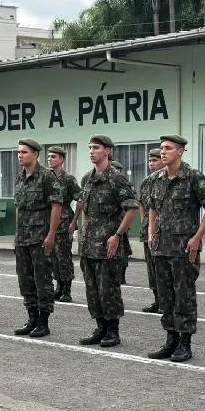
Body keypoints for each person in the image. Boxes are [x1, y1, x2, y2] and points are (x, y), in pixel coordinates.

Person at [147, 134, 205, 363]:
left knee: (184, 296)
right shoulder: (157, 178)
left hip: (183, 248)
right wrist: (150, 234)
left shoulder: (193, 177)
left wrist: (198, 237)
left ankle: (185, 343)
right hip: (161, 247)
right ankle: (170, 339)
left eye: (167, 148)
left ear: (180, 151)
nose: (163, 152)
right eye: (161, 148)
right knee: (166, 296)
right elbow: (153, 208)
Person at [76, 135, 139, 347]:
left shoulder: (117, 178)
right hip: (89, 245)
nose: (91, 151)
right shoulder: (87, 178)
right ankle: (100, 327)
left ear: (108, 151)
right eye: (90, 147)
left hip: (108, 244)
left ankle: (113, 331)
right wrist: (82, 233)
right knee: (92, 290)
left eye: (96, 148)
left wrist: (117, 236)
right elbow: (85, 209)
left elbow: (132, 208)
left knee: (108, 289)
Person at [13, 138, 63, 338]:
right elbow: (19, 208)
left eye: (24, 152)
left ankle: (43, 321)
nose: (20, 156)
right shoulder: (20, 178)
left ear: (35, 154)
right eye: (18, 152)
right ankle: (31, 317)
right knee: (25, 281)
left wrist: (51, 234)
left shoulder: (47, 177)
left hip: (40, 237)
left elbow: (56, 206)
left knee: (42, 280)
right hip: (23, 238)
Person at [47, 145, 81, 303]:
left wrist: (74, 222)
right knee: (53, 258)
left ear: (61, 159)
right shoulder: (46, 178)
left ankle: (67, 290)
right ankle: (58, 287)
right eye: (49, 156)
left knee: (64, 258)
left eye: (53, 156)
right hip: (49, 224)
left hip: (64, 222)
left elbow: (80, 200)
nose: (49, 159)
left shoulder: (68, 179)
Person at [138, 148, 164, 312]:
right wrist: (144, 222)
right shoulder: (146, 181)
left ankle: (166, 301)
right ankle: (157, 300)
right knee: (151, 267)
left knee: (162, 268)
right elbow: (141, 203)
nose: (151, 164)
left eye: (155, 160)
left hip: (164, 230)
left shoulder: (165, 180)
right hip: (149, 228)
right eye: (149, 161)